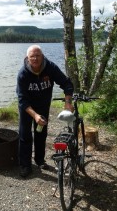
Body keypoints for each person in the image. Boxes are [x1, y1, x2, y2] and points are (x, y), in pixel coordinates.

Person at [16, 44, 74, 177]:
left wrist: (67, 103)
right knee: (25, 135)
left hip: (43, 106)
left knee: (41, 133)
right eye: (32, 56)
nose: (35, 58)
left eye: (38, 55)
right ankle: (25, 165)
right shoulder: (23, 74)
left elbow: (66, 84)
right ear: (27, 58)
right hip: (27, 108)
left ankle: (40, 160)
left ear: (42, 56)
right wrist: (35, 116)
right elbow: (22, 100)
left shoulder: (50, 68)